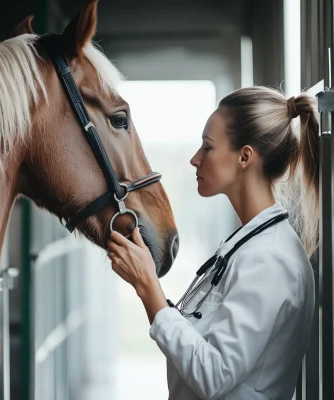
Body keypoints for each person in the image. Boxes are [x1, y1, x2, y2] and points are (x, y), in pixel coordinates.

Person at [106, 86, 318, 400]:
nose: (194, 159)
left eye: (207, 147)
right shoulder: (251, 245)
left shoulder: (271, 260)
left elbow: (214, 375)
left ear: (245, 157)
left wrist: (147, 286)